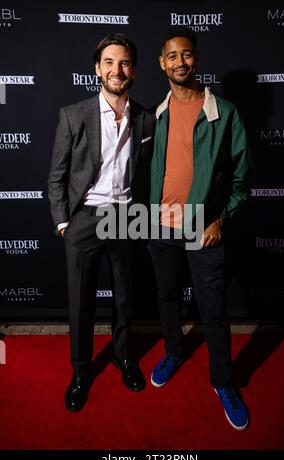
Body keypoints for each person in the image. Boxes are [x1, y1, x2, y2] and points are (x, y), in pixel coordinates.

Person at [149, 27, 252, 430]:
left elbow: (242, 179)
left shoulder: (224, 113)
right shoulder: (155, 114)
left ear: (196, 58)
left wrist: (220, 218)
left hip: (201, 228)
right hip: (158, 226)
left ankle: (223, 382)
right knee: (167, 296)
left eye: (186, 55)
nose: (179, 62)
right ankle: (174, 350)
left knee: (213, 312)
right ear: (162, 63)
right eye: (172, 56)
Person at [48, 33, 155, 412]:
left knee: (125, 298)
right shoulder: (73, 115)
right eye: (109, 62)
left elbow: (146, 174)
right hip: (84, 220)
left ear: (134, 70)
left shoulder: (145, 118)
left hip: (126, 218)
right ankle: (80, 371)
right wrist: (64, 224)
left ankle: (123, 357)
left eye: (124, 63)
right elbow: (56, 176)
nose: (116, 69)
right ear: (97, 69)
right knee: (80, 303)